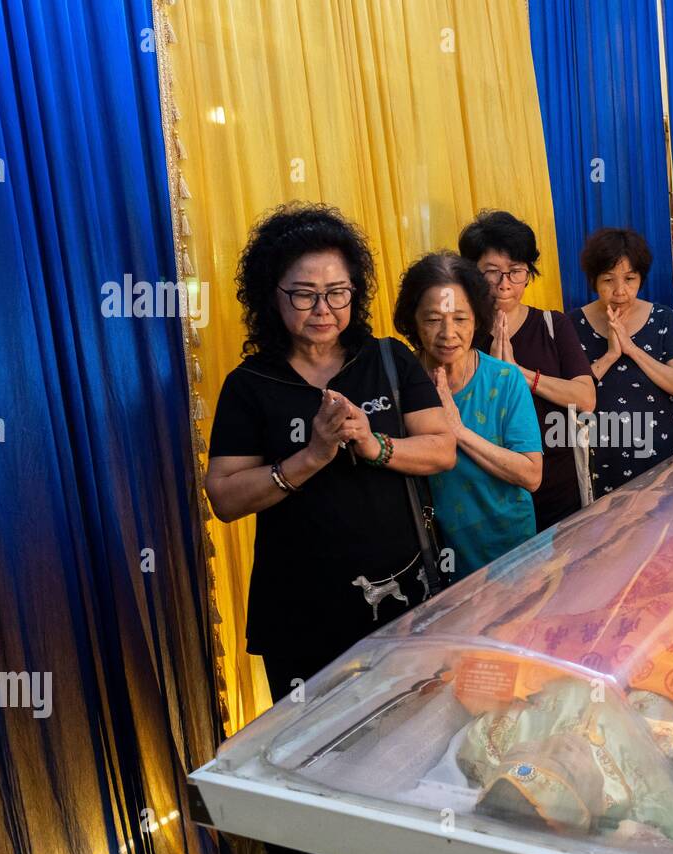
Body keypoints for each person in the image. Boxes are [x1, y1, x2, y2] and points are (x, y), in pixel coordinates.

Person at [206, 203, 455, 701]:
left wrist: (371, 443)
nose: (323, 310)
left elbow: (442, 449)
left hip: (403, 600)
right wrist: (312, 456)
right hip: (300, 614)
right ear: (271, 296)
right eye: (303, 294)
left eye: (337, 293)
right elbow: (225, 499)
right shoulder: (250, 385)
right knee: (312, 752)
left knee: (408, 738)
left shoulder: (387, 358)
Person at [393, 252, 543, 581]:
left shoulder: (505, 380)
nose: (448, 333)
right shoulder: (398, 385)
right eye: (433, 319)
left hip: (510, 554)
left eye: (460, 318)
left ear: (477, 319)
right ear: (412, 320)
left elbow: (531, 474)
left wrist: (458, 431)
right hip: (431, 559)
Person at [458, 210, 596, 529]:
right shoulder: (461, 334)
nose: (504, 285)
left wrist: (520, 375)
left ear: (528, 273)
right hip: (490, 495)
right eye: (491, 272)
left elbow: (586, 398)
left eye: (516, 272)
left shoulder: (553, 324)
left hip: (560, 490)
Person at [566, 228, 673, 495]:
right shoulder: (572, 324)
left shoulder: (662, 318)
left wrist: (632, 349)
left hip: (658, 460)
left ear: (641, 279)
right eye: (608, 280)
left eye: (629, 279)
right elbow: (569, 397)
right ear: (593, 281)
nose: (620, 291)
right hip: (597, 463)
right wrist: (611, 354)